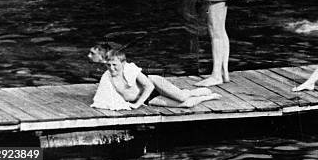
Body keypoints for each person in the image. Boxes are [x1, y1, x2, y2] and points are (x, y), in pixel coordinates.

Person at [90, 48, 221, 110]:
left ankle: (197, 93)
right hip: (148, 99)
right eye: (108, 65)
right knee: (186, 104)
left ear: (123, 64)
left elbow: (149, 86)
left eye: (115, 65)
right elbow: (102, 97)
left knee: (182, 97)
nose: (112, 68)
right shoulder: (107, 77)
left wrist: (137, 104)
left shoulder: (129, 69)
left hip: (153, 84)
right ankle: (206, 97)